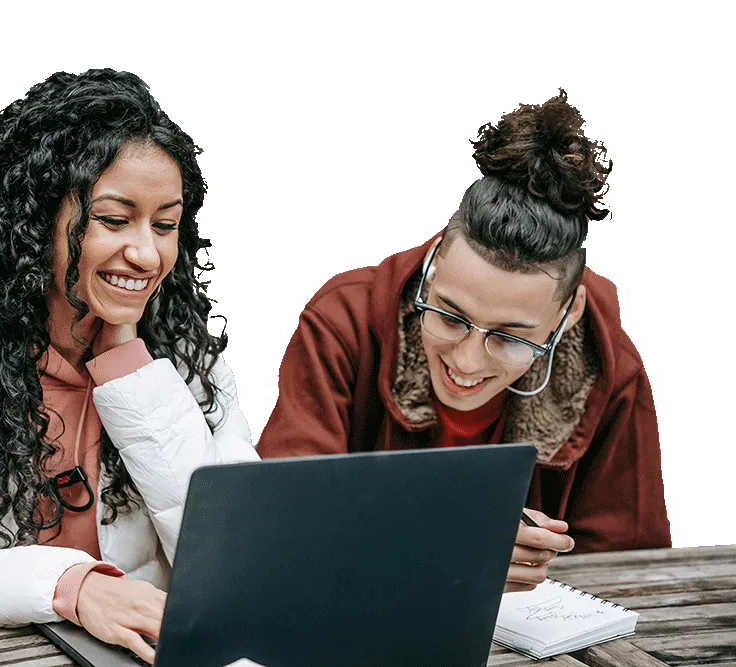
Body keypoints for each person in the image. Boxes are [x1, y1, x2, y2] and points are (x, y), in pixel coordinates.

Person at [0, 69, 258, 664]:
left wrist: (131, 371)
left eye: (165, 226)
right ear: (36, 222)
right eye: (114, 219)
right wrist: (71, 587)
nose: (146, 252)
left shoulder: (185, 358)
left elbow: (241, 568)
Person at [256, 90, 670, 593]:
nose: (468, 361)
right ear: (431, 271)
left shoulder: (608, 367)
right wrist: (450, 543)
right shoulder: (344, 322)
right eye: (450, 317)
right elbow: (282, 519)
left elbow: (630, 573)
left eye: (512, 339)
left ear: (569, 314)